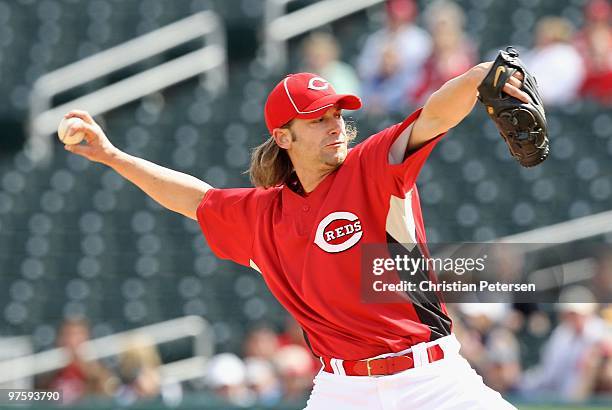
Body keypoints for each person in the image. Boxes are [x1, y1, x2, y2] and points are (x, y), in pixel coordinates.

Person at [62, 59, 531, 408]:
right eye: (318, 118)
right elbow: (193, 198)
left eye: (337, 114)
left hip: (432, 381)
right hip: (343, 391)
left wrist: (476, 78)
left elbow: (433, 116)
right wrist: (112, 156)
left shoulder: (371, 166)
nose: (335, 126)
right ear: (284, 137)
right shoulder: (263, 216)